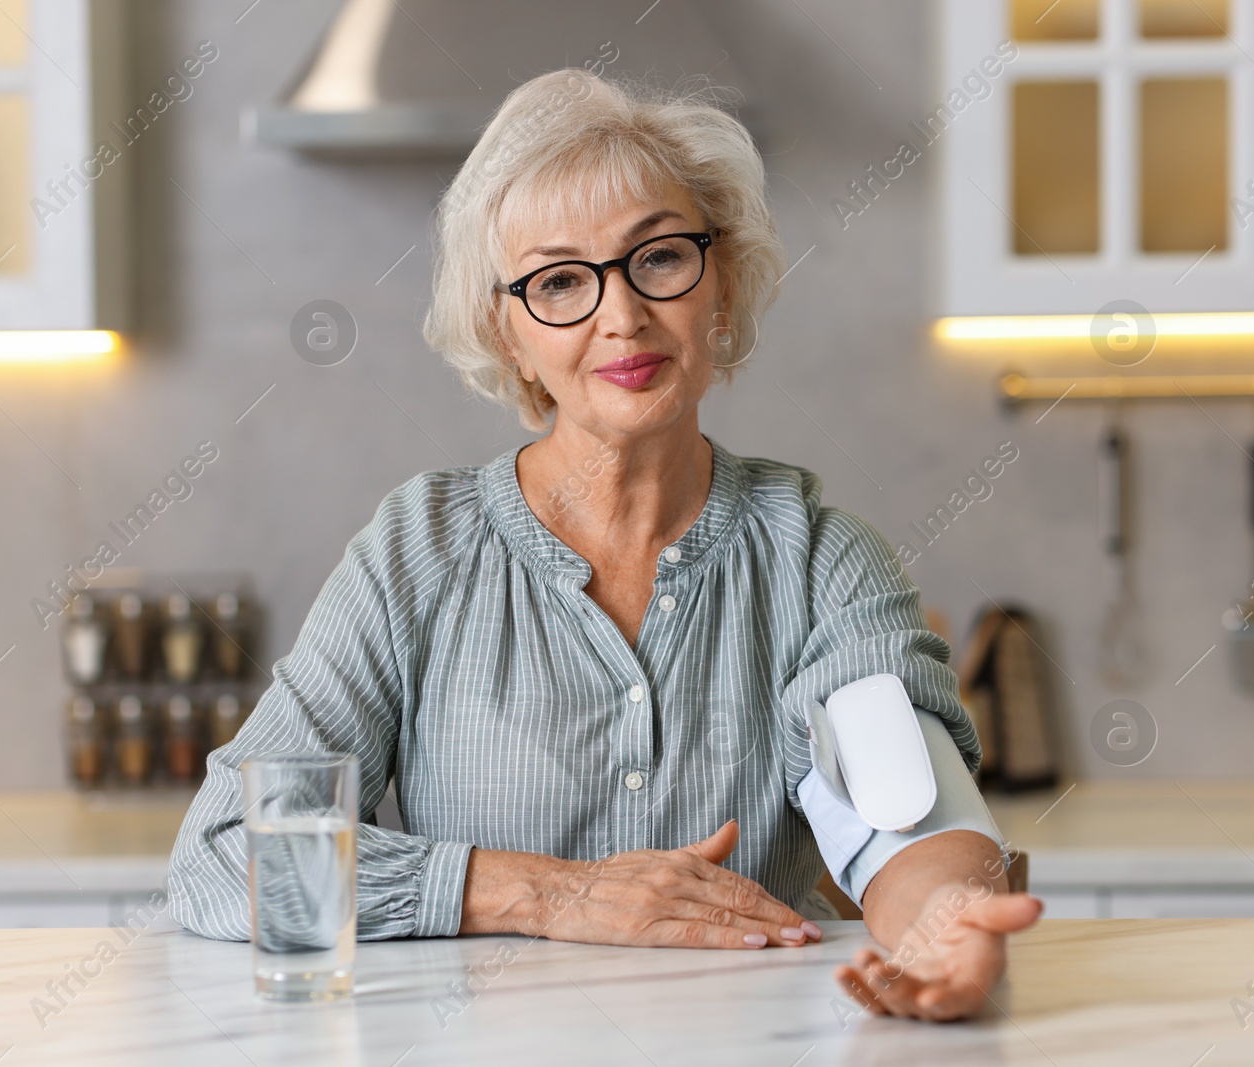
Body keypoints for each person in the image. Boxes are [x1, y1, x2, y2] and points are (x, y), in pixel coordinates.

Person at [169, 68, 1041, 1022]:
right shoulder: (415, 552)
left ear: (725, 281)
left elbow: (911, 825)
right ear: (508, 333)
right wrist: (551, 892)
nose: (620, 316)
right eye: (559, 282)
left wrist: (947, 929)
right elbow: (226, 853)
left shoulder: (819, 559)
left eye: (660, 258)